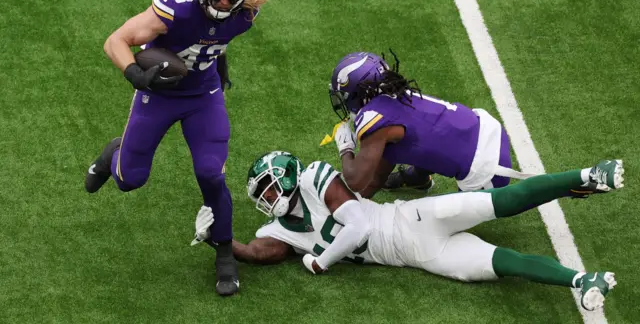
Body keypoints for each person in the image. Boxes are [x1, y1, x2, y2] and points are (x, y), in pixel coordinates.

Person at [193, 151, 623, 311]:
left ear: (288, 177)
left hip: (412, 219)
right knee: (499, 264)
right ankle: (579, 280)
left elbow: (358, 225)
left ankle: (588, 173)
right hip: (417, 256)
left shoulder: (313, 179)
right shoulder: (279, 229)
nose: (268, 197)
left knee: (502, 203)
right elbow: (257, 251)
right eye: (261, 193)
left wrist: (322, 260)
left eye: (269, 186)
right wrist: (219, 238)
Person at [84, 0, 269, 296]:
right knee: (130, 179)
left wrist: (218, 61)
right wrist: (135, 73)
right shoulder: (177, 5)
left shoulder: (245, 14)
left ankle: (226, 255)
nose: (224, 6)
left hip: (203, 96)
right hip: (160, 95)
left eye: (232, 0)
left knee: (211, 173)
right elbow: (116, 40)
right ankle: (114, 155)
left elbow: (213, 39)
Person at [327, 51, 530, 198]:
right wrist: (355, 204)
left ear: (358, 93)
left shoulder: (375, 119)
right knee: (426, 133)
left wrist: (346, 148)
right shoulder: (399, 94)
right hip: (487, 129)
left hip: (486, 172)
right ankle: (417, 177)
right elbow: (377, 175)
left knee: (417, 229)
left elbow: (356, 181)